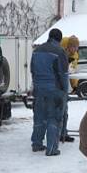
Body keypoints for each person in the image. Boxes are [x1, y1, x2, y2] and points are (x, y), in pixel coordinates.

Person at [30, 28, 69, 156]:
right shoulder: (60, 52)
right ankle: (52, 148)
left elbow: (32, 70)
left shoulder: (36, 51)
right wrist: (65, 90)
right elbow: (63, 74)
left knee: (39, 117)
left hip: (38, 88)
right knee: (54, 118)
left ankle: (36, 144)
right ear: (60, 39)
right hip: (54, 89)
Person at [60, 35, 80, 143]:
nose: (75, 49)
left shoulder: (74, 55)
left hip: (64, 86)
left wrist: (75, 85)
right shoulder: (59, 52)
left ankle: (63, 133)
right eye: (74, 47)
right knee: (59, 112)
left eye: (77, 47)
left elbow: (72, 71)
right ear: (68, 46)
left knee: (64, 111)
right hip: (56, 86)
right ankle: (59, 134)